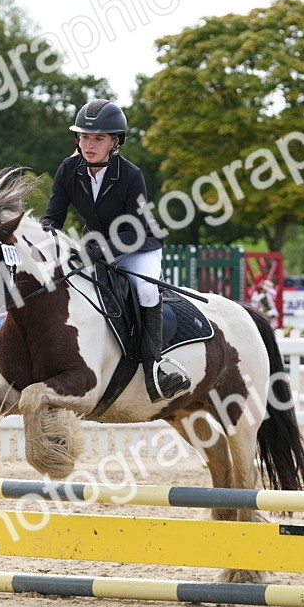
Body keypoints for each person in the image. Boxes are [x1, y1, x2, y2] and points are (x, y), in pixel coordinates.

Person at [41, 98, 190, 401]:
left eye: (98, 138)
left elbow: (133, 229)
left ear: (114, 141)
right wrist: (43, 242)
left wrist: (100, 249)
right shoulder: (69, 170)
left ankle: (155, 366)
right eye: (84, 136)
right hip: (96, 245)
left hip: (138, 244)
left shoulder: (131, 175)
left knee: (146, 291)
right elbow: (53, 218)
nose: (89, 144)